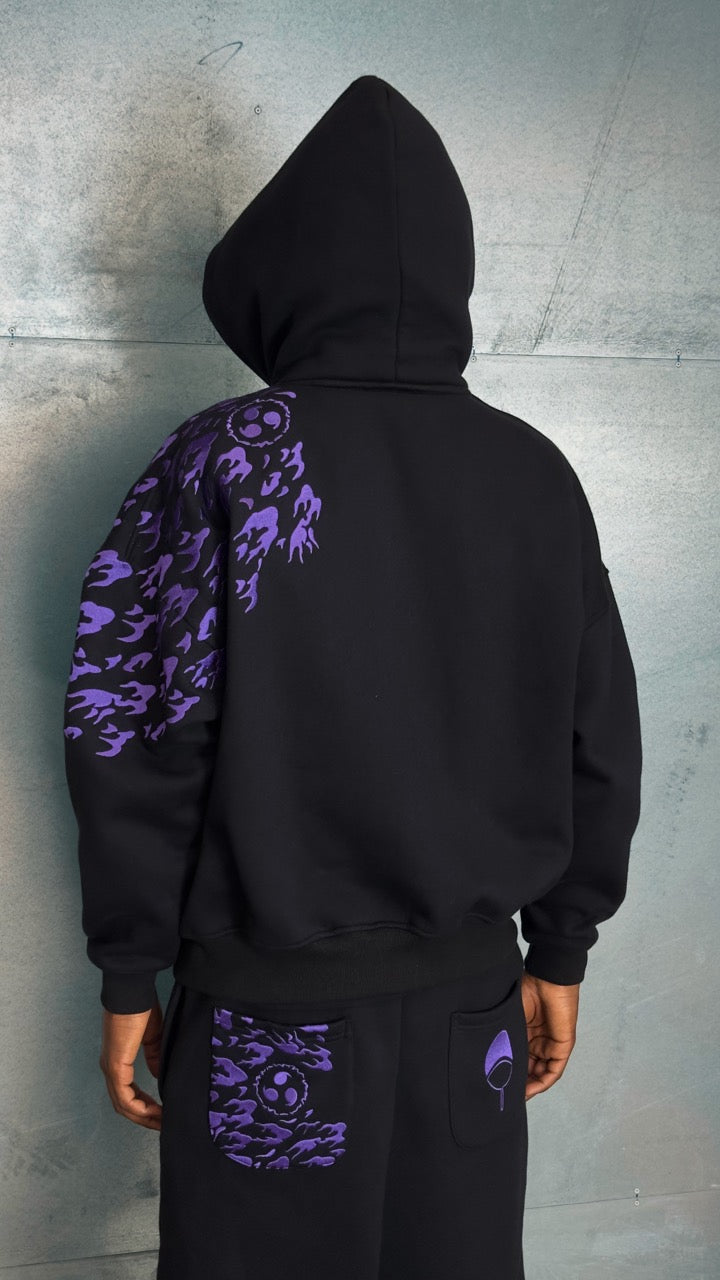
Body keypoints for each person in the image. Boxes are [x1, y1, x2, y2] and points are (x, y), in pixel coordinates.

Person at [62, 74, 642, 1279]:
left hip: (268, 1008)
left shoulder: (222, 463)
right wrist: (559, 947)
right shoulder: (537, 476)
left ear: (281, 273)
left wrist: (128, 965)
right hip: (474, 1005)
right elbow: (597, 736)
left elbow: (138, 735)